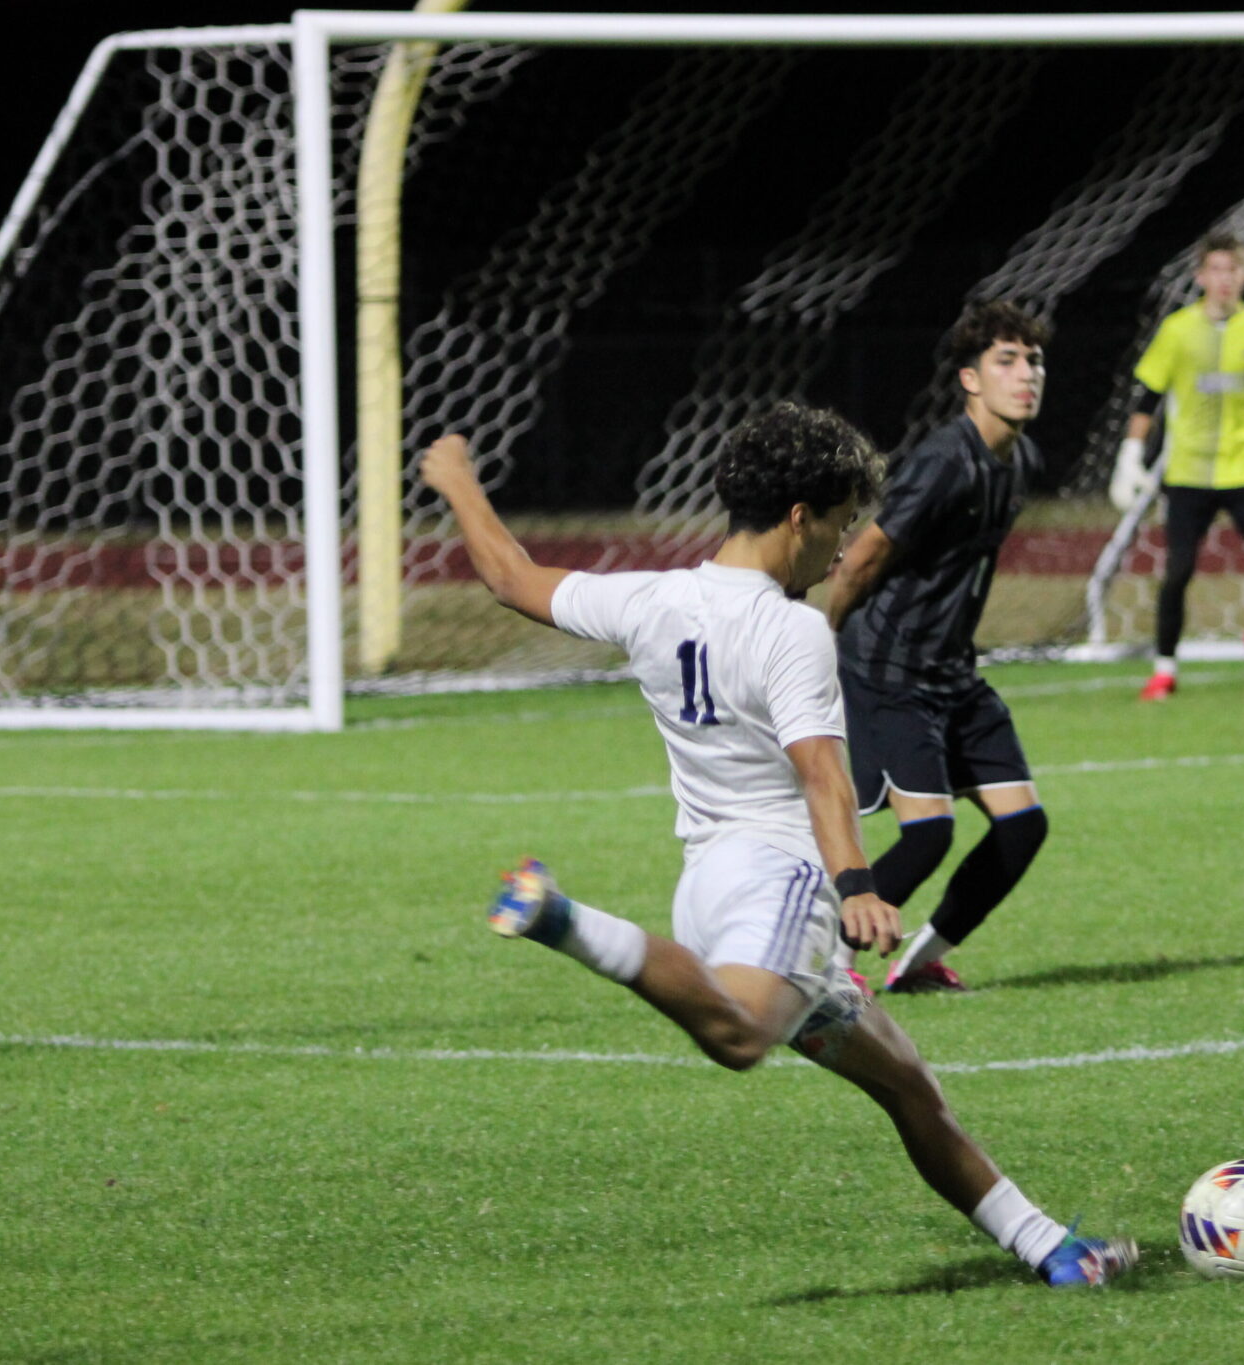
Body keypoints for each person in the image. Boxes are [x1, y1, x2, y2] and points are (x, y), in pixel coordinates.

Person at [417, 404, 1135, 1288]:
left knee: (908, 1084)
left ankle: (1054, 1251)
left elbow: (508, 575)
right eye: (837, 527)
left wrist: (456, 480)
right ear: (799, 515)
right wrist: (858, 882)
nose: (840, 553)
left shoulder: (653, 597)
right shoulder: (791, 626)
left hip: (709, 884)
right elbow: (822, 776)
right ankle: (561, 917)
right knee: (740, 1035)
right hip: (785, 886)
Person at [824, 302, 1051, 995]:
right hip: (889, 670)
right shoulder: (944, 460)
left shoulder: (1020, 461)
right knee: (928, 835)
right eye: (1006, 362)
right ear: (970, 380)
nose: (1026, 375)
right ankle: (820, 968)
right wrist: (809, 641)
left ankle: (918, 962)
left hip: (953, 674)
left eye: (1034, 361)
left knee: (1023, 827)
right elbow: (862, 557)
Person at [1108, 232, 1244, 700]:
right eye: (1216, 270)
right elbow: (1147, 398)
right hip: (1189, 472)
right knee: (1179, 571)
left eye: (1234, 270)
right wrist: (1129, 457)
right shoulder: (1178, 331)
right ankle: (1164, 669)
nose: (1224, 280)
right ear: (1200, 276)